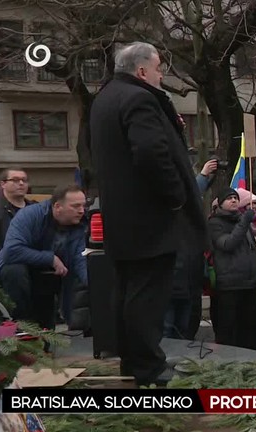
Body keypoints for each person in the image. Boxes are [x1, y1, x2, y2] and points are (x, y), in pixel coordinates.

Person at [90, 42, 207, 386]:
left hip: (123, 218)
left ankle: (134, 359)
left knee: (127, 290)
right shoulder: (140, 98)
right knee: (148, 296)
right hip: (149, 219)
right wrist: (174, 198)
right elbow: (151, 153)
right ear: (142, 71)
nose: (161, 75)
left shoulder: (105, 98)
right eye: (158, 69)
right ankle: (147, 366)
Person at [0, 185, 88, 330]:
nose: (81, 211)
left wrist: (95, 285)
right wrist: (51, 258)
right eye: (75, 206)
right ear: (58, 206)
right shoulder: (30, 215)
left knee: (47, 285)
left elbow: (80, 260)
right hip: (14, 279)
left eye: (83, 205)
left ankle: (44, 337)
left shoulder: (79, 226)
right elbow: (12, 250)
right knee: (15, 272)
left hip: (46, 282)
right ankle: (19, 329)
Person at [165, 159, 217, 340]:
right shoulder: (168, 215)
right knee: (168, 329)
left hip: (190, 285)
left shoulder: (192, 227)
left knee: (186, 329)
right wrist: (202, 175)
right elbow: (189, 194)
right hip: (170, 286)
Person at [209, 188, 256, 349]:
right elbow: (228, 244)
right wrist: (244, 222)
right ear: (220, 203)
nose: (233, 200)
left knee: (250, 330)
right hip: (230, 285)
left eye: (235, 198)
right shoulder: (215, 223)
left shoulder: (242, 220)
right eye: (229, 198)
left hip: (250, 284)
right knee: (229, 331)